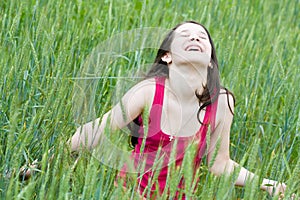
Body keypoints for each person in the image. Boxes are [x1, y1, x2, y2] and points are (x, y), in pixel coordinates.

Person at [70, 21, 287, 199]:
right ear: (167, 56)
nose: (194, 38)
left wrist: (267, 184)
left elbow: (219, 163)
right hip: (130, 193)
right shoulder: (148, 91)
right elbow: (98, 129)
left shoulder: (221, 102)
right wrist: (46, 162)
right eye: (184, 35)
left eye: (202, 37)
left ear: (210, 61)